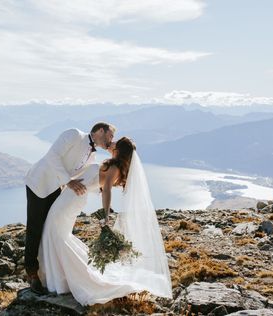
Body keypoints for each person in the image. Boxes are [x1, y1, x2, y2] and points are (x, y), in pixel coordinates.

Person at [38, 137, 173, 305]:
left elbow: (107, 189)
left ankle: (68, 278)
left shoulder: (114, 167)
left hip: (72, 199)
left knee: (55, 233)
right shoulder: (115, 163)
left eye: (116, 142)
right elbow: (101, 171)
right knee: (56, 233)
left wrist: (106, 214)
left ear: (120, 150)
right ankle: (61, 277)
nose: (112, 143)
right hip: (72, 197)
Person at [24, 122, 116, 293]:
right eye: (110, 136)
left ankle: (47, 271)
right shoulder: (74, 134)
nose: (111, 141)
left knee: (49, 228)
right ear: (100, 131)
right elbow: (53, 156)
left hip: (56, 189)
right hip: (39, 182)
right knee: (35, 228)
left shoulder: (92, 157)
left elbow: (88, 177)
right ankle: (31, 273)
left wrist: (104, 195)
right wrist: (68, 181)